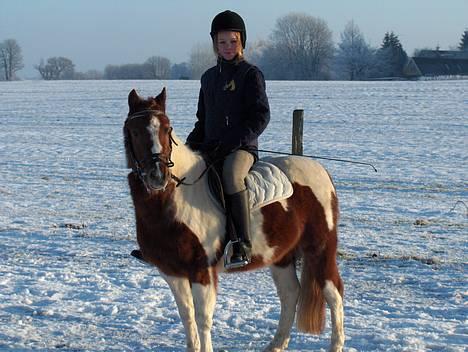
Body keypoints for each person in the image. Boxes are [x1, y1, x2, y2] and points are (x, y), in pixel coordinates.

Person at [186, 10, 270, 268]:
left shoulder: (250, 74)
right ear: (214, 44)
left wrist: (233, 141)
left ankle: (241, 243)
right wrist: (186, 148)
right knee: (179, 174)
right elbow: (203, 120)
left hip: (241, 148)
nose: (227, 47)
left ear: (242, 41)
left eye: (233, 41)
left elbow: (260, 116)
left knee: (232, 175)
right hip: (211, 145)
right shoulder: (208, 78)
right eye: (222, 42)